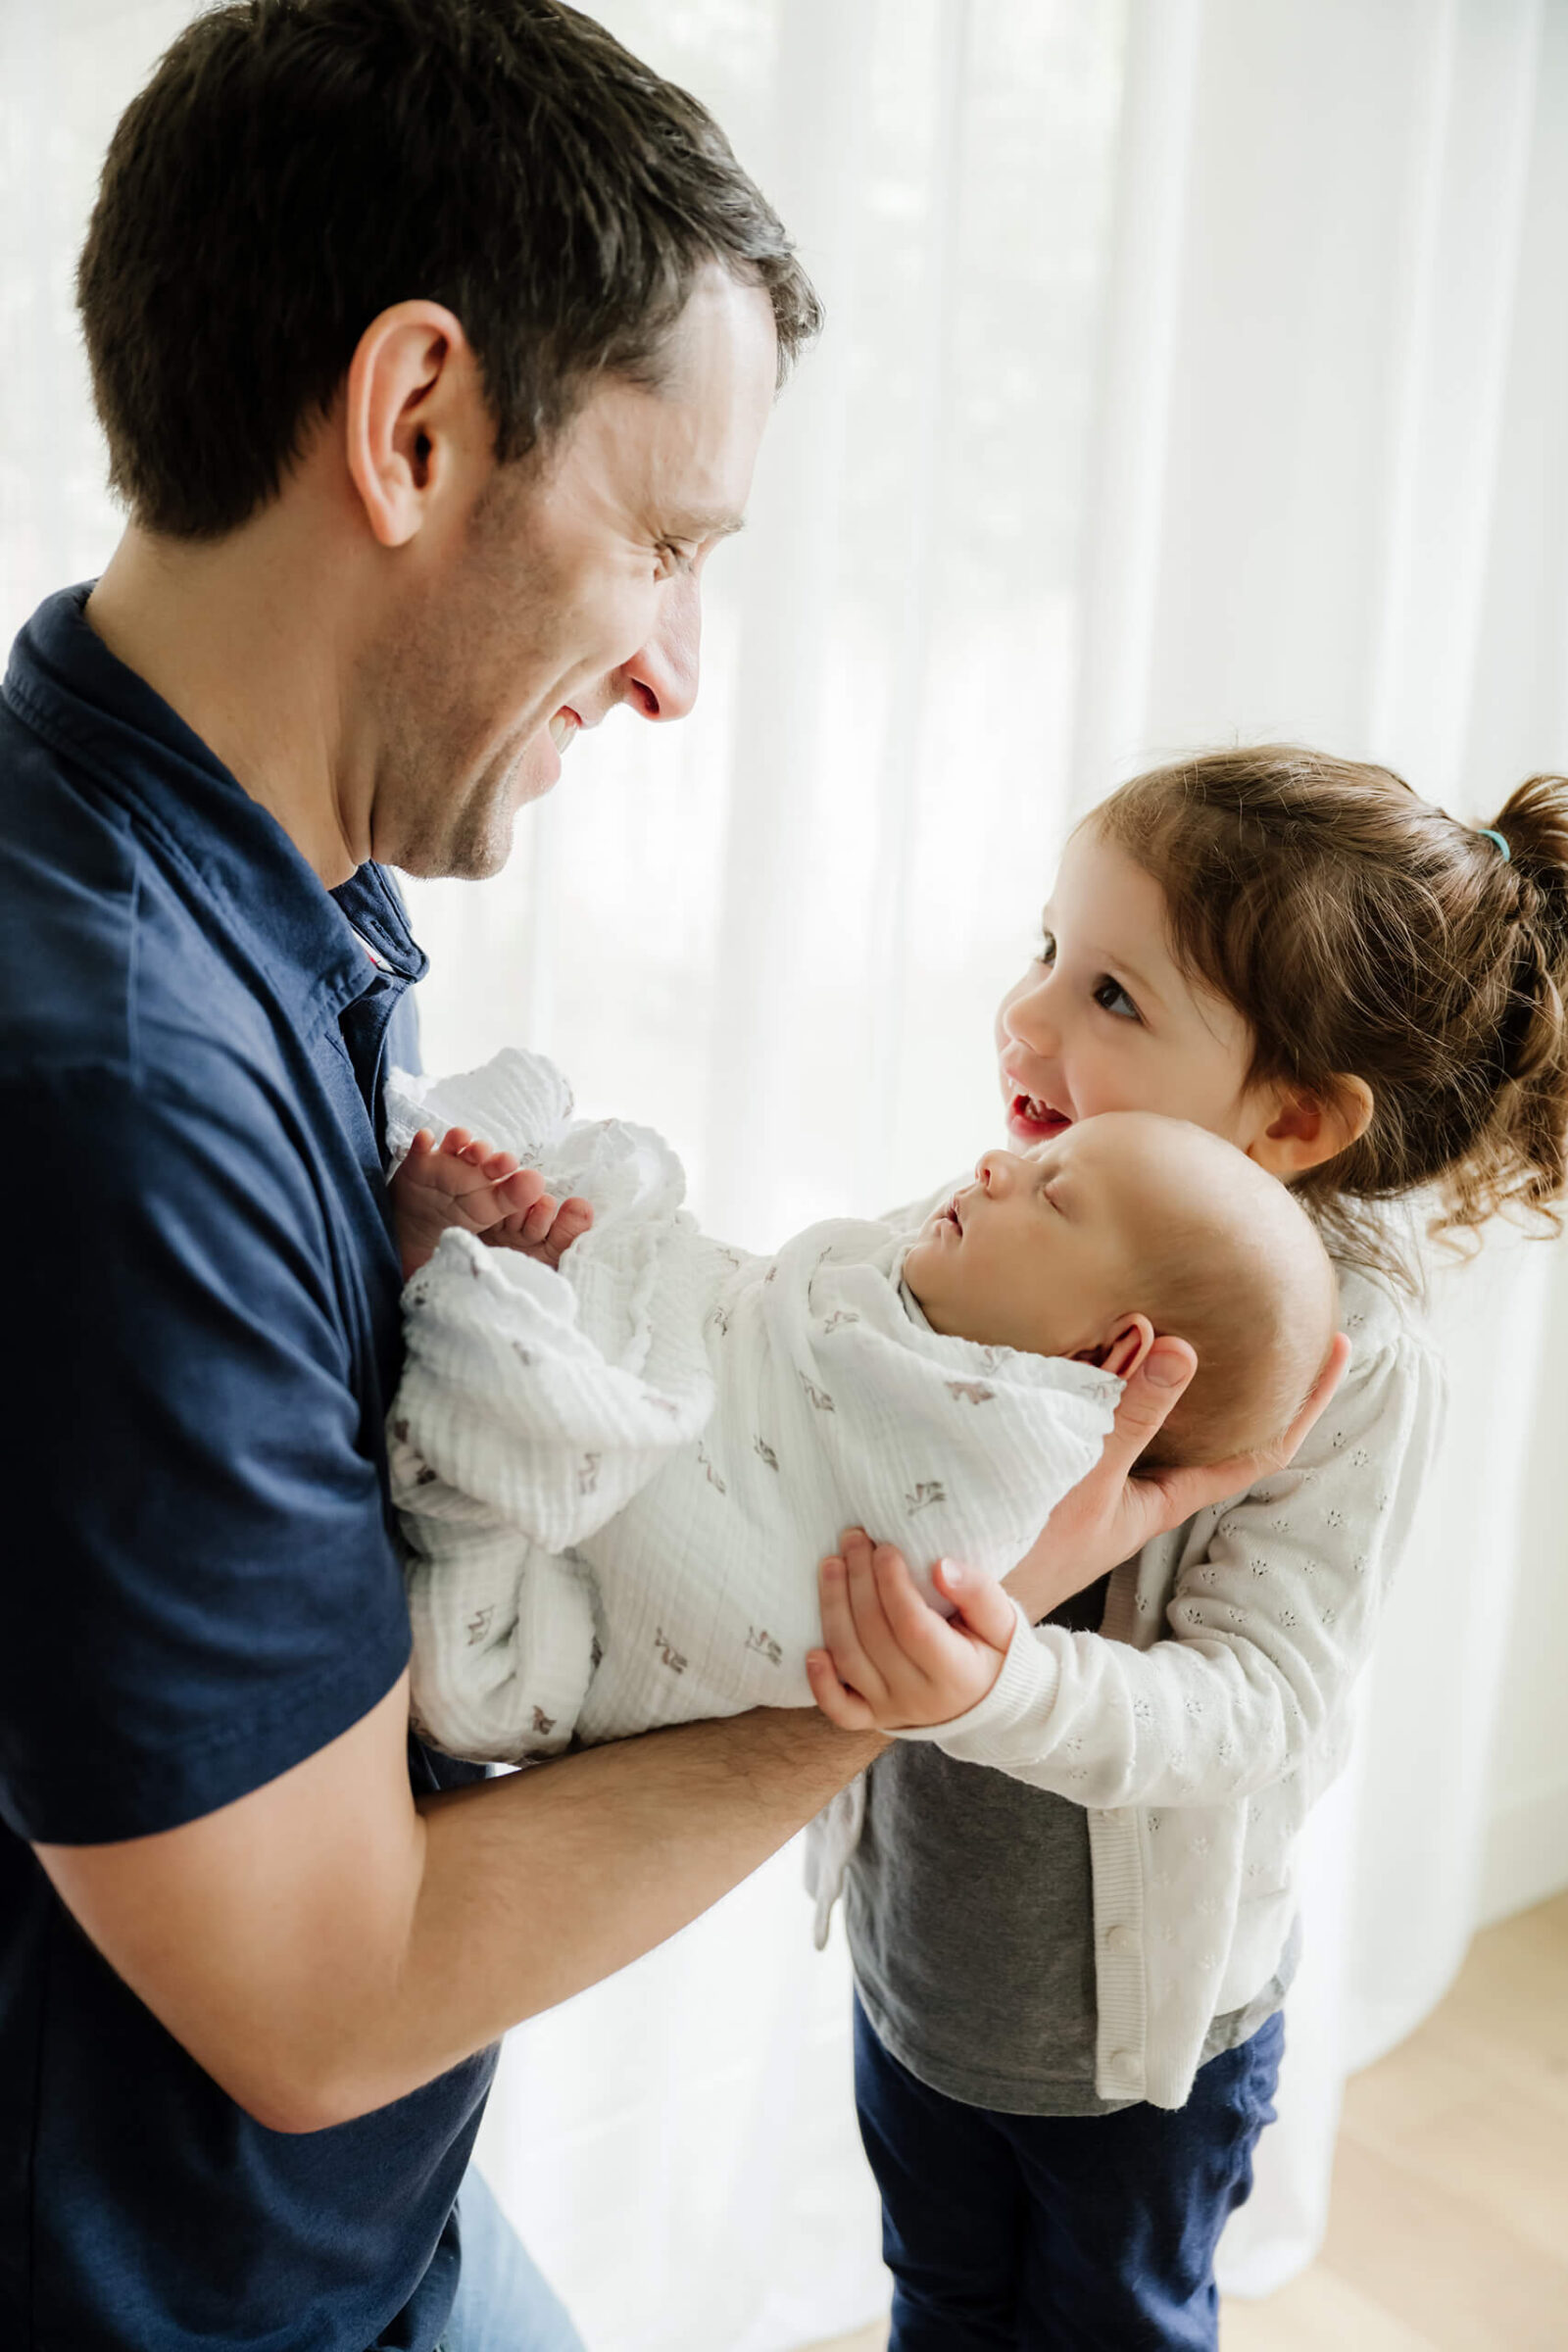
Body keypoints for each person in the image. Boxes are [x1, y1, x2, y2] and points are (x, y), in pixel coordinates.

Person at [0, 8, 1313, 2347]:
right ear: (414, 421)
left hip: (335, 2221)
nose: (682, 672)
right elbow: (321, 1993)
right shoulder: (116, 1082)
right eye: (665, 543)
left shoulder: (252, 888)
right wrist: (891, 1661)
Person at [806, 747, 1568, 2351]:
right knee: (936, 2300)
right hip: (926, 1968)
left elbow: (1255, 1705)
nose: (1025, 1025)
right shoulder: (1015, 1202)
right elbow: (811, 1348)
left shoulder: (1354, 1360)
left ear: (1293, 1114)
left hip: (1140, 2048)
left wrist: (1003, 1677)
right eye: (1044, 953)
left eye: (1112, 998)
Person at [377, 1054, 1337, 1761]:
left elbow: (1270, 1701)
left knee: (550, 1464)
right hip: (687, 1408)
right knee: (607, 1235)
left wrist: (996, 1687)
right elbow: (762, 1319)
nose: (997, 1167)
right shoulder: (959, 1286)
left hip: (610, 1600)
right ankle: (526, 1293)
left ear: (1104, 1353)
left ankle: (491, 1313)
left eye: (1054, 1194)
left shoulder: (997, 1447)